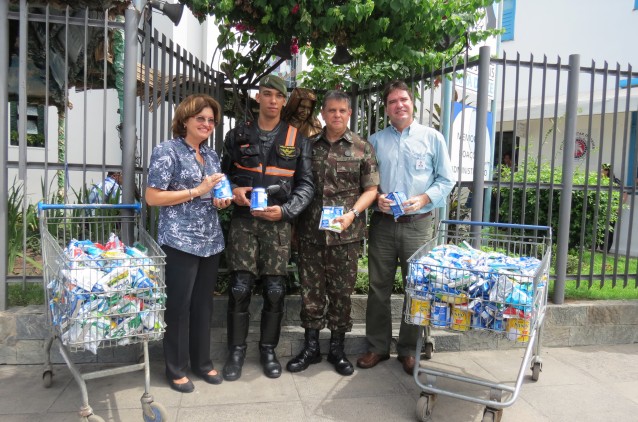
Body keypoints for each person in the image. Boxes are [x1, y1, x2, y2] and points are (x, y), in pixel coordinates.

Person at [356, 80, 455, 375]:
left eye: (404, 100)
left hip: (419, 225)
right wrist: (377, 201)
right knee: (378, 287)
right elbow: (366, 183)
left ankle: (409, 349)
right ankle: (377, 347)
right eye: (392, 102)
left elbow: (446, 180)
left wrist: (425, 197)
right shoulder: (374, 141)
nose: (399, 105)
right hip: (383, 225)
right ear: (386, 108)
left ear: (412, 103)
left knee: (418, 288)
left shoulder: (432, 138)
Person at [221, 75, 314, 381]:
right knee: (239, 288)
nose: (272, 100)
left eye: (278, 96)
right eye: (267, 94)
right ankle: (235, 352)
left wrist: (286, 212)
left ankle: (267, 350)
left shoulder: (296, 138)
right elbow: (221, 176)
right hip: (244, 222)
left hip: (277, 223)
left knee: (275, 291)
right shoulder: (237, 136)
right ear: (258, 97)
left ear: (284, 101)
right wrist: (232, 189)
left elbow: (305, 186)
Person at [286, 90, 379, 376]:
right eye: (331, 111)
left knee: (341, 294)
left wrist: (352, 214)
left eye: (342, 111)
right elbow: (298, 186)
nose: (336, 115)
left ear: (349, 113)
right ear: (323, 114)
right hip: (311, 233)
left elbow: (371, 190)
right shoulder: (308, 146)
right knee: (311, 293)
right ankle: (311, 347)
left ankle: (337, 349)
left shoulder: (362, 148)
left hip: (345, 236)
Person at [145, 94, 232, 393]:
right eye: (201, 119)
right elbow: (153, 197)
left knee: (203, 306)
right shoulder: (167, 151)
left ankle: (202, 362)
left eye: (211, 120)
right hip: (179, 240)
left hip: (210, 240)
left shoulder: (210, 156)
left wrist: (220, 199)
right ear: (185, 120)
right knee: (179, 307)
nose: (207, 124)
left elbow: (213, 192)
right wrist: (198, 190)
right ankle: (176, 368)